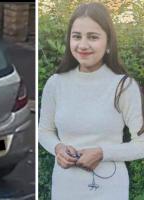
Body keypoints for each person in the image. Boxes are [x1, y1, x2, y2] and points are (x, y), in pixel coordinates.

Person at [38, 2, 144, 200]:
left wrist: (102, 152)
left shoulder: (123, 86)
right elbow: (44, 131)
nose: (83, 45)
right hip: (64, 188)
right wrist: (58, 148)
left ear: (108, 42)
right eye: (76, 36)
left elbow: (141, 144)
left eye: (93, 37)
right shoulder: (56, 83)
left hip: (110, 190)